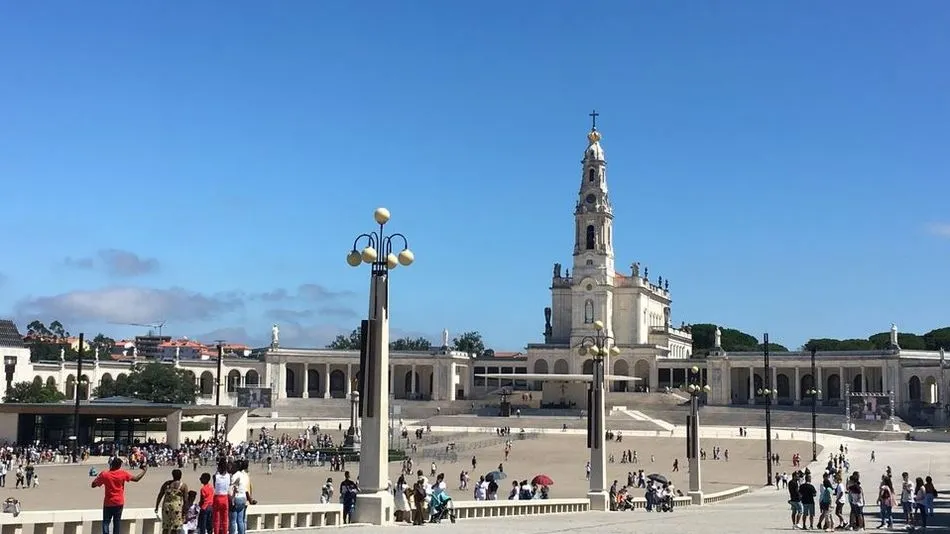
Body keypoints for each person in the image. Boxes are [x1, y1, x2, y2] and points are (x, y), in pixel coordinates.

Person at [91, 458, 148, 534]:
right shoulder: (122, 473)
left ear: (111, 464)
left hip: (108, 502)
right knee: (117, 523)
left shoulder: (105, 474)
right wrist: (144, 471)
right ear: (119, 466)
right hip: (119, 502)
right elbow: (136, 479)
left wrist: (98, 478)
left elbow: (93, 485)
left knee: (106, 522)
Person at [155, 468, 189, 534]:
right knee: (175, 528)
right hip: (176, 508)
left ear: (172, 475)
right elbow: (185, 500)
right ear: (181, 476)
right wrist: (185, 513)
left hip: (166, 507)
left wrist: (156, 506)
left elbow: (160, 496)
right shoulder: (183, 486)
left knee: (165, 527)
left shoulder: (167, 484)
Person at [229, 460, 253, 534]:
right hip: (243, 497)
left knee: (233, 521)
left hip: (237, 498)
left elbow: (231, 485)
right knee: (240, 520)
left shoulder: (236, 475)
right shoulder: (244, 475)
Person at [211, 461, 232, 534]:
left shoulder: (215, 476)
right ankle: (225, 532)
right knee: (225, 518)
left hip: (217, 497)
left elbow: (214, 486)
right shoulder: (229, 476)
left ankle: (216, 532)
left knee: (216, 518)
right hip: (225, 497)